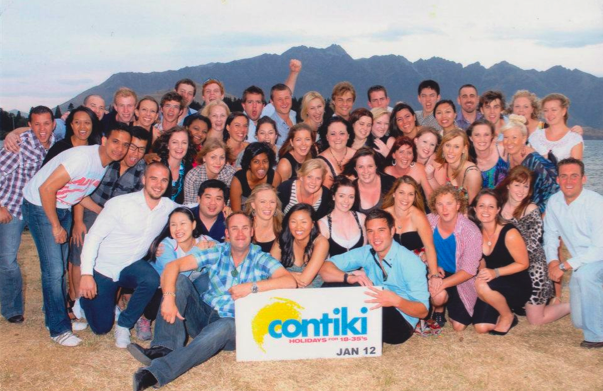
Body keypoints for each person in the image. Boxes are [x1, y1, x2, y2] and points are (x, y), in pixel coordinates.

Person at [128, 212, 296, 390]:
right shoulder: (218, 251)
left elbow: (289, 282)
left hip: (232, 327)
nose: (240, 233)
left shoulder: (261, 258)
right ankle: (164, 347)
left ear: (252, 232)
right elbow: (172, 266)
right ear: (227, 233)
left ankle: (156, 372)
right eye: (234, 228)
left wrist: (251, 287)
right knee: (179, 281)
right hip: (205, 315)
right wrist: (169, 298)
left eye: (245, 228)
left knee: (225, 325)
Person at [22, 125, 131, 346]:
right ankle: (58, 329)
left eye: (125, 144)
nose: (120, 148)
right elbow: (46, 189)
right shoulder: (83, 159)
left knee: (59, 268)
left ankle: (54, 315)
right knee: (53, 271)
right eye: (115, 141)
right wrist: (55, 225)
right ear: (104, 140)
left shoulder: (102, 165)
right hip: (40, 206)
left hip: (63, 206)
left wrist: (105, 214)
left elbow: (79, 194)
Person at [78, 162, 179, 348]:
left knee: (151, 279)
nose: (158, 184)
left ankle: (124, 324)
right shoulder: (120, 204)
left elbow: (191, 213)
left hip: (131, 265)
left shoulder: (168, 207)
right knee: (101, 328)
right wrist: (86, 274)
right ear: (143, 180)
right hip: (104, 267)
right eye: (153, 178)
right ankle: (83, 301)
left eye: (164, 180)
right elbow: (93, 237)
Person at [69, 126, 150, 323]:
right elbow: (81, 192)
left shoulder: (142, 172)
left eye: (141, 149)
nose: (135, 153)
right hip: (91, 209)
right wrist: (78, 221)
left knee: (118, 257)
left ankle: (110, 302)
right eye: (132, 147)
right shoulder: (105, 161)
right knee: (78, 254)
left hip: (118, 221)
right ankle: (75, 301)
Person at [319, 209, 429, 345]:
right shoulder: (367, 251)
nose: (375, 237)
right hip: (374, 306)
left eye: (381, 230)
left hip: (400, 324)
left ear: (392, 231)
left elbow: (423, 311)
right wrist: (349, 277)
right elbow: (325, 268)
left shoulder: (410, 262)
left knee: (360, 292)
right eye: (370, 231)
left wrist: (397, 301)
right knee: (332, 285)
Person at [0, 106, 55, 324]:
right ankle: (12, 308)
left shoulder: (54, 147)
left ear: (53, 124)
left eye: (47, 123)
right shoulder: (19, 147)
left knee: (51, 262)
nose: (42, 129)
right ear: (30, 126)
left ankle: (51, 305)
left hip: (39, 210)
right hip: (12, 208)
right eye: (37, 124)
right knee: (7, 259)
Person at [497, 166, 570, 325]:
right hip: (508, 267)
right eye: (517, 185)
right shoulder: (498, 209)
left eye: (526, 186)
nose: (521, 190)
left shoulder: (531, 209)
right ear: (508, 185)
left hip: (533, 270)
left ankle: (572, 306)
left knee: (535, 320)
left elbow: (530, 244)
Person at [544, 158, 603, 349]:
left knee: (586, 276)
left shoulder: (596, 203)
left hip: (598, 257)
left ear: (584, 179)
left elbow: (598, 248)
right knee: (579, 321)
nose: (569, 181)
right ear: (558, 180)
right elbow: (550, 236)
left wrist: (563, 266)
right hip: (582, 262)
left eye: (574, 176)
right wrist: (553, 261)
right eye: (564, 176)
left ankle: (597, 336)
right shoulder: (554, 202)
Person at [470, 189, 531, 335]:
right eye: (481, 206)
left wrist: (495, 272)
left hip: (516, 283)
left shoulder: (509, 233)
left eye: (491, 206)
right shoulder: (476, 231)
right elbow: (482, 260)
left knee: (481, 285)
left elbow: (523, 264)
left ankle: (507, 316)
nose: (486, 210)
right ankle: (502, 308)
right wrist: (482, 272)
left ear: (498, 209)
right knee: (481, 327)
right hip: (492, 284)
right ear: (475, 209)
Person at [427, 185, 482, 330]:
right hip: (435, 271)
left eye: (449, 203)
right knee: (438, 297)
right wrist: (427, 262)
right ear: (435, 206)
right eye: (440, 204)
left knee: (459, 326)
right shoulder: (428, 221)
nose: (444, 209)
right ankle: (438, 308)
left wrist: (441, 284)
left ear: (458, 205)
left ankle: (447, 302)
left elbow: (469, 271)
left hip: (460, 276)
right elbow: (415, 246)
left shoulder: (471, 231)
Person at [382, 176, 438, 284]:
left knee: (440, 296)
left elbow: (429, 247)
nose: (405, 198)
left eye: (410, 194)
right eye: (401, 193)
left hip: (417, 265)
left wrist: (434, 274)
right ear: (394, 194)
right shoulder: (383, 216)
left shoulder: (418, 216)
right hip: (389, 266)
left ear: (415, 197)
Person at [2, 94, 106, 152]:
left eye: (101, 108)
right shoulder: (64, 126)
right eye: (93, 105)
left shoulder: (102, 132)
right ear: (83, 107)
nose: (96, 110)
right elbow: (40, 127)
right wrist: (13, 134)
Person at [501, 115, 559, 214]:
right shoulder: (509, 156)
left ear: (524, 139)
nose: (509, 142)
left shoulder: (535, 162)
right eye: (506, 137)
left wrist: (538, 215)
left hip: (540, 212)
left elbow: (555, 190)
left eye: (514, 137)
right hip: (520, 209)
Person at [271, 203, 329, 288]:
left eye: (303, 222)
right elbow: (267, 271)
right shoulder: (282, 239)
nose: (298, 227)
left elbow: (304, 281)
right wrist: (289, 275)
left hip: (313, 292)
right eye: (293, 221)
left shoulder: (321, 242)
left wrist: (280, 274)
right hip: (284, 290)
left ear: (312, 224)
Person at [429, 128, 482, 204]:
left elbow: (473, 208)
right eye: (448, 145)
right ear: (443, 147)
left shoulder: (472, 173)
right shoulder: (443, 166)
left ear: (464, 149)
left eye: (456, 147)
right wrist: (430, 177)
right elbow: (439, 195)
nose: (451, 151)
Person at [318, 176, 366, 257]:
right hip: (331, 269)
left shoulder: (362, 219)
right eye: (341, 196)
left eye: (351, 196)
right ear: (333, 196)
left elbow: (365, 254)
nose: (346, 201)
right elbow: (322, 261)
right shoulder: (322, 225)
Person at [529, 93, 583, 163]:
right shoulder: (535, 136)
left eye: (554, 110)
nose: (549, 114)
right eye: (546, 110)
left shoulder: (574, 139)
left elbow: (575, 169)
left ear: (563, 111)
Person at [343, 147, 395, 214]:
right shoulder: (350, 189)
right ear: (355, 169)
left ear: (376, 166)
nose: (366, 171)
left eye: (370, 166)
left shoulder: (391, 182)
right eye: (361, 167)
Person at [230, 142, 281, 211]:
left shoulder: (275, 177)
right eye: (256, 162)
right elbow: (236, 213)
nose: (261, 166)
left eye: (265, 161)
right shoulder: (238, 180)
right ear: (249, 164)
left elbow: (274, 207)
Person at [183, 139, 236, 204]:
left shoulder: (230, 173)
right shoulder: (193, 176)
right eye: (213, 157)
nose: (218, 162)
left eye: (222, 157)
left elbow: (230, 202)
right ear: (204, 158)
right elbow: (190, 205)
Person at [153, 126, 196, 204]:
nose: (180, 147)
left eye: (184, 142)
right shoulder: (157, 165)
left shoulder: (189, 169)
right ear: (167, 145)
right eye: (175, 142)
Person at [384, 136, 433, 201]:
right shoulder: (387, 172)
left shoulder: (419, 169)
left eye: (409, 153)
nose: (405, 156)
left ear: (413, 156)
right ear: (394, 155)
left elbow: (430, 197)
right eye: (401, 152)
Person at [467, 119, 508, 189]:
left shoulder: (502, 150)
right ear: (471, 138)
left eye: (486, 135)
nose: (482, 139)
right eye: (477, 135)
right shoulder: (467, 159)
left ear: (492, 136)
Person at [317, 116, 356, 188]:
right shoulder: (319, 163)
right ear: (327, 137)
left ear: (348, 136)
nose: (338, 137)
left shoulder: (358, 156)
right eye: (333, 134)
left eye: (342, 133)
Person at [243, 184, 283, 253]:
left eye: (272, 202)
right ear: (253, 205)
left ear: (276, 204)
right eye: (262, 201)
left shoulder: (284, 229)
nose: (268, 206)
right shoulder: (243, 228)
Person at [267, 83, 296, 147]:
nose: (284, 102)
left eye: (287, 98)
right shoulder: (270, 126)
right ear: (272, 102)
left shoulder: (297, 116)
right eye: (280, 99)